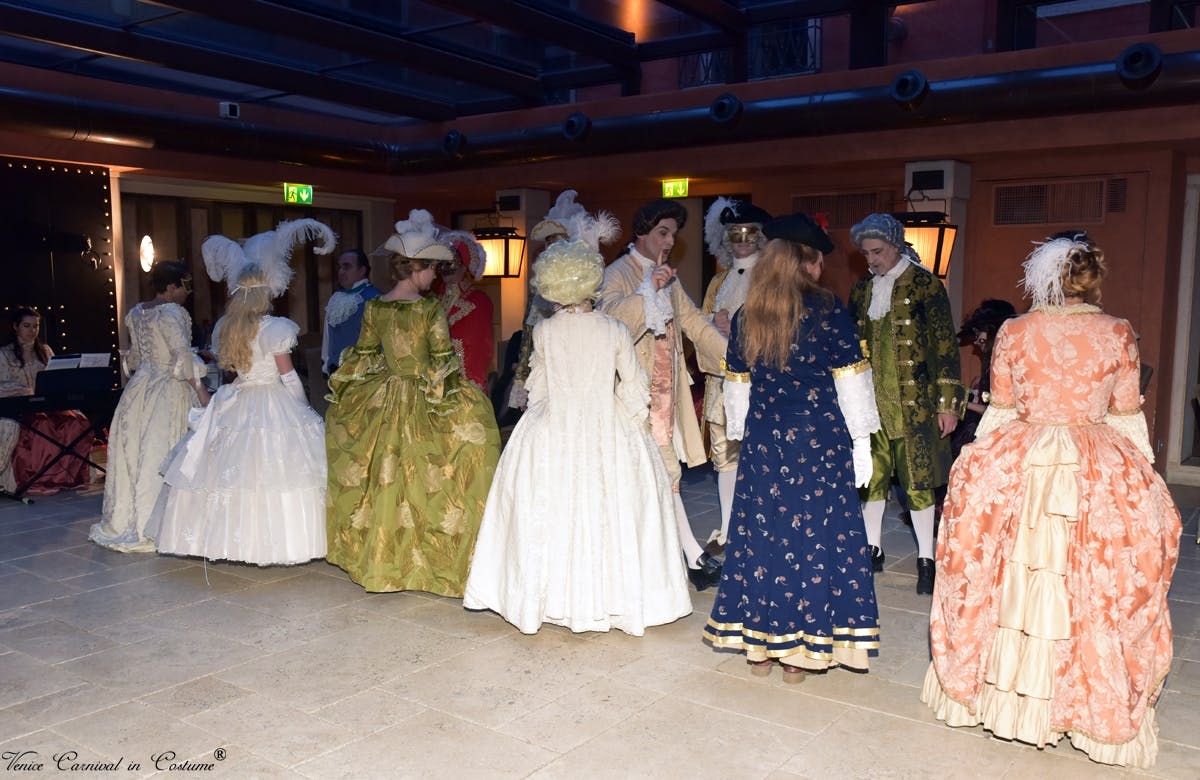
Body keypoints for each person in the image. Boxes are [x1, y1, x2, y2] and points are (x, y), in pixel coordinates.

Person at [921, 236, 1181, 768]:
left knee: (999, 568)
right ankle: (1082, 704)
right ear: (1092, 280)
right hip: (1094, 453)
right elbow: (1126, 415)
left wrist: (979, 464)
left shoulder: (1014, 331)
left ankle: (1000, 695)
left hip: (1022, 453)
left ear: (1043, 279)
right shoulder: (1118, 333)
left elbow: (1000, 409)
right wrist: (1141, 483)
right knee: (1094, 579)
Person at [464, 238, 691, 635]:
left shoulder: (547, 331)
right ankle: (612, 600)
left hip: (554, 427)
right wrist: (629, 427)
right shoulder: (614, 328)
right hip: (608, 425)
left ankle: (549, 598)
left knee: (551, 511)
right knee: (609, 511)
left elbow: (541, 390)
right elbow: (636, 389)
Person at [703, 213, 881, 680]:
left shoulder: (749, 313)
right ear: (807, 263)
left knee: (764, 536)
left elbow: (736, 384)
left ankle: (759, 650)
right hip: (818, 441)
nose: (822, 271)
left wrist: (744, 435)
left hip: (766, 441)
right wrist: (862, 442)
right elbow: (852, 382)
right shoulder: (826, 310)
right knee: (814, 539)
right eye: (819, 261)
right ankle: (800, 656)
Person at [325, 209, 500, 595]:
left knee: (389, 477)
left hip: (385, 398)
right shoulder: (428, 309)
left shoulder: (376, 306)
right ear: (418, 269)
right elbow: (441, 361)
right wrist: (455, 396)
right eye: (433, 269)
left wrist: (350, 389)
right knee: (432, 473)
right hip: (421, 394)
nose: (437, 276)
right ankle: (426, 559)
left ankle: (386, 563)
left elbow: (364, 355)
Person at [149, 220, 333, 565]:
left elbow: (230, 369)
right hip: (271, 398)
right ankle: (277, 544)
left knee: (226, 477)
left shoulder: (226, 327)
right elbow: (289, 377)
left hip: (237, 398)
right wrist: (304, 412)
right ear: (266, 291)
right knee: (275, 477)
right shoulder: (277, 328)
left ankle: (228, 542)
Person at [598, 198, 728, 592]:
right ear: (642, 233)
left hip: (667, 394)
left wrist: (733, 358)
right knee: (661, 471)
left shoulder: (668, 277)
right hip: (633, 395)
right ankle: (691, 555)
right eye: (663, 233)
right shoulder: (618, 273)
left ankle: (675, 556)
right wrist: (645, 292)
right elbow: (610, 321)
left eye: (673, 234)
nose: (670, 241)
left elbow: (692, 322)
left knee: (659, 474)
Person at [848, 213, 965, 594]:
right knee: (871, 478)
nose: (872, 260)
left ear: (896, 245)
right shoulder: (862, 290)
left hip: (915, 406)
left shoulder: (927, 285)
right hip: (871, 402)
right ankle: (872, 549)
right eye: (866, 253)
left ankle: (926, 560)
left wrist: (948, 404)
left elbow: (946, 348)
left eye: (877, 251)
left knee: (918, 483)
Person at [90, 263, 209, 552]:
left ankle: (130, 519)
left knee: (137, 454)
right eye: (183, 287)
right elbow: (181, 357)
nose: (186, 293)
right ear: (170, 287)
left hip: (139, 389)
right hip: (167, 390)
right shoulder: (172, 312)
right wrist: (203, 393)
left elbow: (133, 359)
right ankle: (160, 524)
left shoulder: (135, 313)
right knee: (164, 451)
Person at [699, 197, 772, 549]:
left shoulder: (771, 280)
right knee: (725, 455)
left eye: (748, 232)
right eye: (734, 233)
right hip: (721, 377)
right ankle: (729, 528)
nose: (741, 239)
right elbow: (698, 325)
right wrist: (714, 324)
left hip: (759, 380)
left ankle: (761, 527)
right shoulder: (717, 282)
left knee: (759, 454)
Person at [0, 307, 93, 495]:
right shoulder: (4, 354)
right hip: (20, 406)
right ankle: (42, 479)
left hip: (47, 403)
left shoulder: (45, 350)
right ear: (15, 327)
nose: (32, 330)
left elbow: (56, 378)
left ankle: (67, 477)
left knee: (76, 422)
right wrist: (24, 390)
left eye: (35, 326)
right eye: (27, 326)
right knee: (42, 425)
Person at [950, 298, 1017, 460]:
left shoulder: (1006, 363)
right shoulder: (992, 361)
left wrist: (963, 401)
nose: (975, 340)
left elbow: (1002, 412)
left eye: (978, 332)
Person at [438, 232, 493, 391]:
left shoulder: (478, 300)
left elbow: (481, 348)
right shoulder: (434, 300)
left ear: (464, 266)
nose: (444, 269)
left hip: (463, 382)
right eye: (441, 263)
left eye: (450, 264)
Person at [322, 249, 381, 376]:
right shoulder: (336, 298)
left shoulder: (375, 298)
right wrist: (327, 363)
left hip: (364, 375)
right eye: (340, 267)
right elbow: (327, 337)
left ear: (362, 270)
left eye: (347, 267)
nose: (341, 272)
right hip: (336, 371)